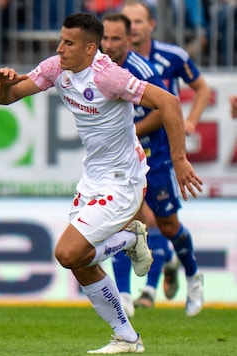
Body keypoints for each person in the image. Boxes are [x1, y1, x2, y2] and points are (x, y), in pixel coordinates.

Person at [0, 13, 202, 353]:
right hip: (93, 177)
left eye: (69, 43)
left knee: (67, 252)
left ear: (91, 48)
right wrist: (4, 82)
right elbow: (6, 98)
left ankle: (130, 239)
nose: (60, 48)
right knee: (79, 262)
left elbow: (169, 102)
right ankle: (128, 337)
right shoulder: (56, 68)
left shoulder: (109, 77)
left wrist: (179, 160)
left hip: (124, 180)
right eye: (61, 40)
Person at [122, 0, 209, 316]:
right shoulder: (113, 63)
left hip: (159, 149)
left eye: (138, 21)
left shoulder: (171, 57)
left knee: (167, 223)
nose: (132, 28)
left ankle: (192, 274)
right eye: (127, 22)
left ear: (151, 25)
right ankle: (127, 294)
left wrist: (191, 121)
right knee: (130, 218)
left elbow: (201, 88)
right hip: (126, 154)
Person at [101, 12, 178, 319]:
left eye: (115, 38)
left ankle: (154, 281)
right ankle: (125, 294)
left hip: (149, 155)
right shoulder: (91, 67)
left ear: (129, 38)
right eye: (103, 38)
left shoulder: (141, 68)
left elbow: (167, 104)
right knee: (123, 220)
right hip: (113, 159)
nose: (108, 44)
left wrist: (133, 131)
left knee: (158, 223)